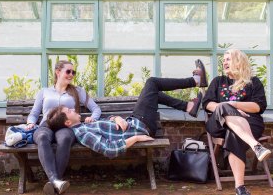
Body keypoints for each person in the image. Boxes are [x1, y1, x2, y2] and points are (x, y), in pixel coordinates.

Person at [45, 60, 208, 159]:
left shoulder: (83, 126)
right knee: (152, 82)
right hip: (140, 128)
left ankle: (189, 106)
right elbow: (109, 150)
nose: (74, 110)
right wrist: (136, 139)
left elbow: (106, 126)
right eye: (70, 111)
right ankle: (195, 81)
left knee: (154, 93)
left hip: (134, 122)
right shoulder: (82, 133)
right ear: (67, 122)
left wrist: (115, 118)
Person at [26, 60, 102, 195]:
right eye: (68, 71)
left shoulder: (78, 91)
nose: (71, 74)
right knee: (42, 137)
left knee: (65, 139)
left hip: (67, 126)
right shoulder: (44, 91)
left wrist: (93, 118)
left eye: (73, 72)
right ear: (58, 72)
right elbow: (34, 113)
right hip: (46, 124)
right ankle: (56, 182)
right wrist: (31, 122)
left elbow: (96, 109)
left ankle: (54, 183)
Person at [202, 49, 271, 195]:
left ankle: (240, 188)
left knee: (233, 135)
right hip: (219, 123)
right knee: (224, 107)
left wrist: (235, 106)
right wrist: (227, 108)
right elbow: (207, 103)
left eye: (228, 59)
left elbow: (258, 106)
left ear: (239, 62)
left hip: (250, 123)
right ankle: (256, 145)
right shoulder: (218, 81)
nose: (224, 62)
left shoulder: (254, 82)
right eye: (223, 60)